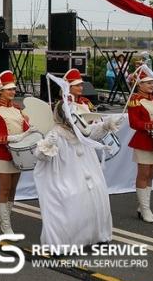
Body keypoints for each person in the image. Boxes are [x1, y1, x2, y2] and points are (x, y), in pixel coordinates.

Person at [34, 97, 119, 247]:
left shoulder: (80, 129)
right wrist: (48, 144)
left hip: (88, 170)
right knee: (70, 201)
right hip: (67, 174)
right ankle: (62, 243)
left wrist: (106, 125)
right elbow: (40, 156)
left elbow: (92, 132)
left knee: (96, 196)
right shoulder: (56, 133)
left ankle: (98, 236)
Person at [0, 70, 33, 234]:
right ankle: (6, 226)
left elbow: (25, 129)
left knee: (13, 190)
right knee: (4, 189)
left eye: (13, 89)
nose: (13, 91)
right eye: (8, 89)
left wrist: (31, 129)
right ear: (0, 90)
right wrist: (10, 139)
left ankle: (2, 222)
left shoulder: (18, 109)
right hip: (3, 154)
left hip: (18, 155)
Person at [127, 67, 153, 223]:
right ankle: (145, 209)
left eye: (152, 83)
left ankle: (143, 207)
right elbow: (134, 123)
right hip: (143, 141)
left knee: (151, 174)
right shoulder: (134, 100)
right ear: (139, 84)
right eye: (148, 83)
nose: (152, 85)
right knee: (143, 174)